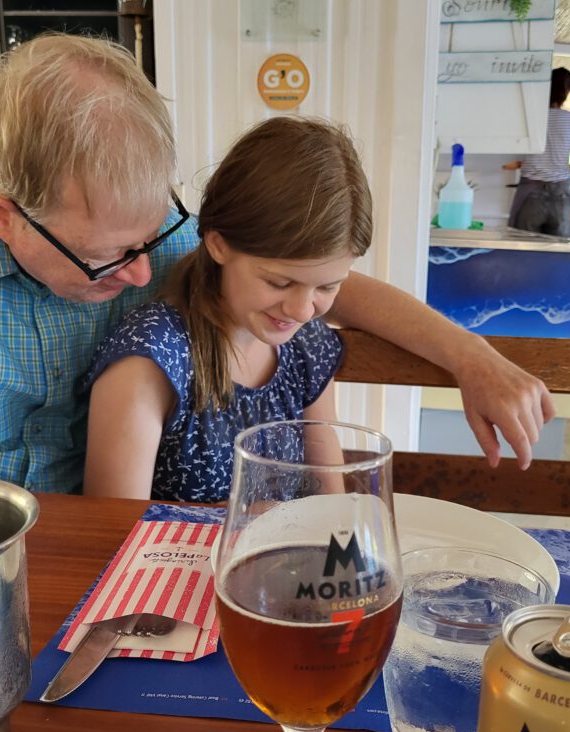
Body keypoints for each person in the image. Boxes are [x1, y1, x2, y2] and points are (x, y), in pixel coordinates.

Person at [0, 34, 554, 494]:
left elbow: (314, 282)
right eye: (107, 258)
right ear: (1, 215)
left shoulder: (143, 232)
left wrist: (472, 357)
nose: (146, 273)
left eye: (157, 233)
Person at [84, 118, 363, 502]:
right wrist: (240, 522)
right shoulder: (154, 355)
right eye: (279, 282)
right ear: (218, 245)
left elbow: (329, 498)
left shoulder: (306, 344)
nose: (302, 310)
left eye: (328, 286)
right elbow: (113, 523)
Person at [504, 67, 570, 238]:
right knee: (558, 249)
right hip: (560, 194)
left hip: (531, 191)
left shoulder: (532, 117)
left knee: (523, 245)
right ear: (567, 91)